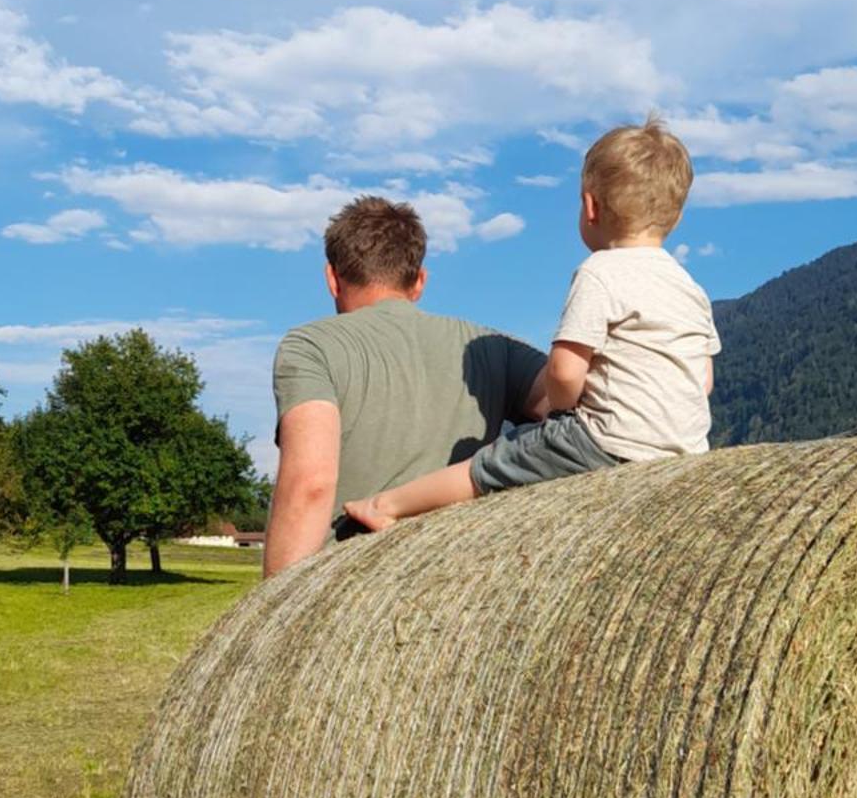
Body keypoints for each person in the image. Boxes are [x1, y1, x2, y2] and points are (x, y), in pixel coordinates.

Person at [344, 117, 717, 532]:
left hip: (607, 443)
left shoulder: (600, 272)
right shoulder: (691, 288)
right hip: (685, 452)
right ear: (677, 218)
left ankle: (385, 505)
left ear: (589, 207)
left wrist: (563, 407)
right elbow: (702, 381)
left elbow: (563, 370)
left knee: (490, 463)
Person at [262, 195, 548, 575]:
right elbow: (583, 408)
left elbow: (310, 484)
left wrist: (271, 614)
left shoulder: (310, 346)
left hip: (345, 591)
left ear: (332, 278)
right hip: (461, 583)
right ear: (420, 281)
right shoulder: (496, 349)